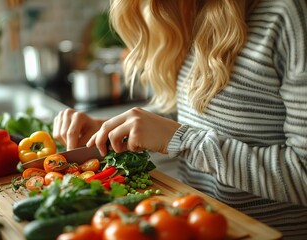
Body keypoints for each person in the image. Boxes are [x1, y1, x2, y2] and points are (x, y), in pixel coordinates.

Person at [53, 0, 307, 238]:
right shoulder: (194, 10)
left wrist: (182, 140)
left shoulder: (288, 15)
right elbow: (198, 117)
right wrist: (114, 129)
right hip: (191, 225)